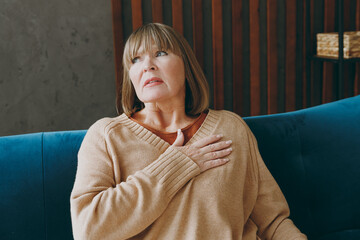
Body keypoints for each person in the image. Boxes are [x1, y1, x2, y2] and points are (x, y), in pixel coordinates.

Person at [70, 23, 307, 240]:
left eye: (161, 53)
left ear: (187, 65)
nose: (147, 65)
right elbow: (87, 229)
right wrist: (176, 166)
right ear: (130, 76)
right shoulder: (106, 136)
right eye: (135, 59)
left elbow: (273, 223)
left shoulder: (231, 127)